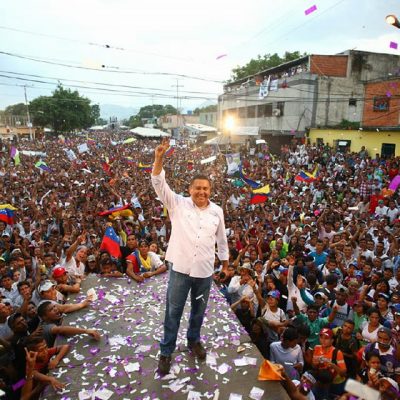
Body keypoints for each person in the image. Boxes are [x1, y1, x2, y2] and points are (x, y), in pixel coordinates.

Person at [151, 138, 229, 374]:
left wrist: (225, 264)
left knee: (198, 311)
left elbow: (221, 240)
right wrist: (159, 158)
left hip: (205, 272)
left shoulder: (217, 211)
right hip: (181, 270)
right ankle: (166, 352)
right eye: (198, 188)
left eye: (206, 189)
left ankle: (193, 340)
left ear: (210, 191)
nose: (202, 192)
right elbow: (158, 182)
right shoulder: (177, 204)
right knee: (173, 312)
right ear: (190, 190)